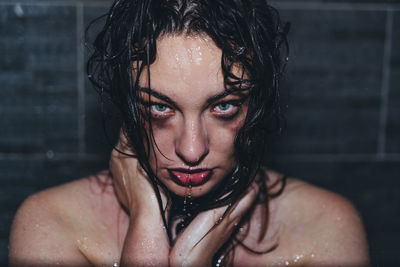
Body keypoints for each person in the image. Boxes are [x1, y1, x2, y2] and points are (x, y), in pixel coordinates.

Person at [9, 0, 370, 266]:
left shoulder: (324, 226)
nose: (192, 149)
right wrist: (146, 221)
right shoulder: (53, 223)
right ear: (127, 105)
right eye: (159, 107)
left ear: (256, 104)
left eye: (224, 106)